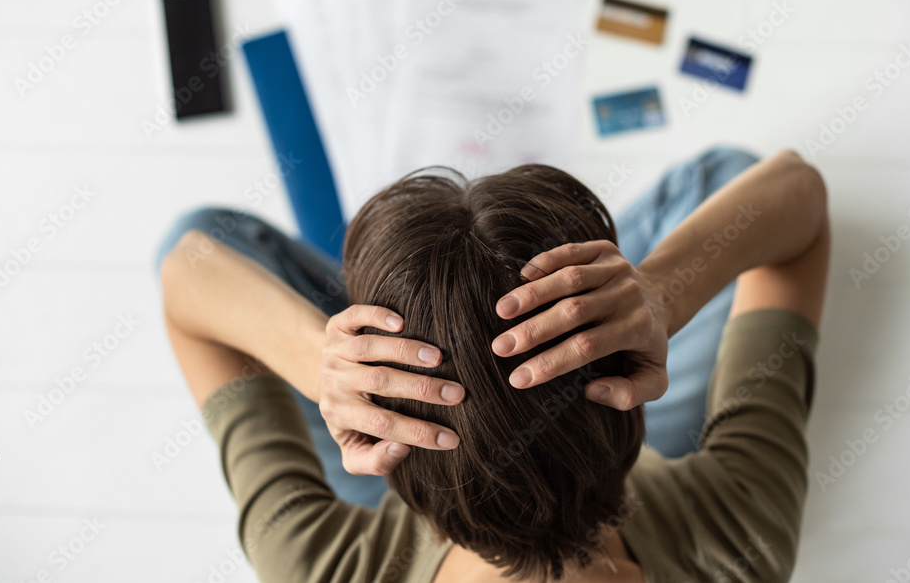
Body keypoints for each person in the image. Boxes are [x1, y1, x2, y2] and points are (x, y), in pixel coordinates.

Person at [158, 147, 829, 582]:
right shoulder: (735, 538)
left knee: (203, 233)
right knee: (727, 179)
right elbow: (798, 191)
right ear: (634, 399)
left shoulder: (327, 564)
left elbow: (186, 272)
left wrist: (321, 362)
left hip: (414, 456)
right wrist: (662, 289)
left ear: (385, 433)